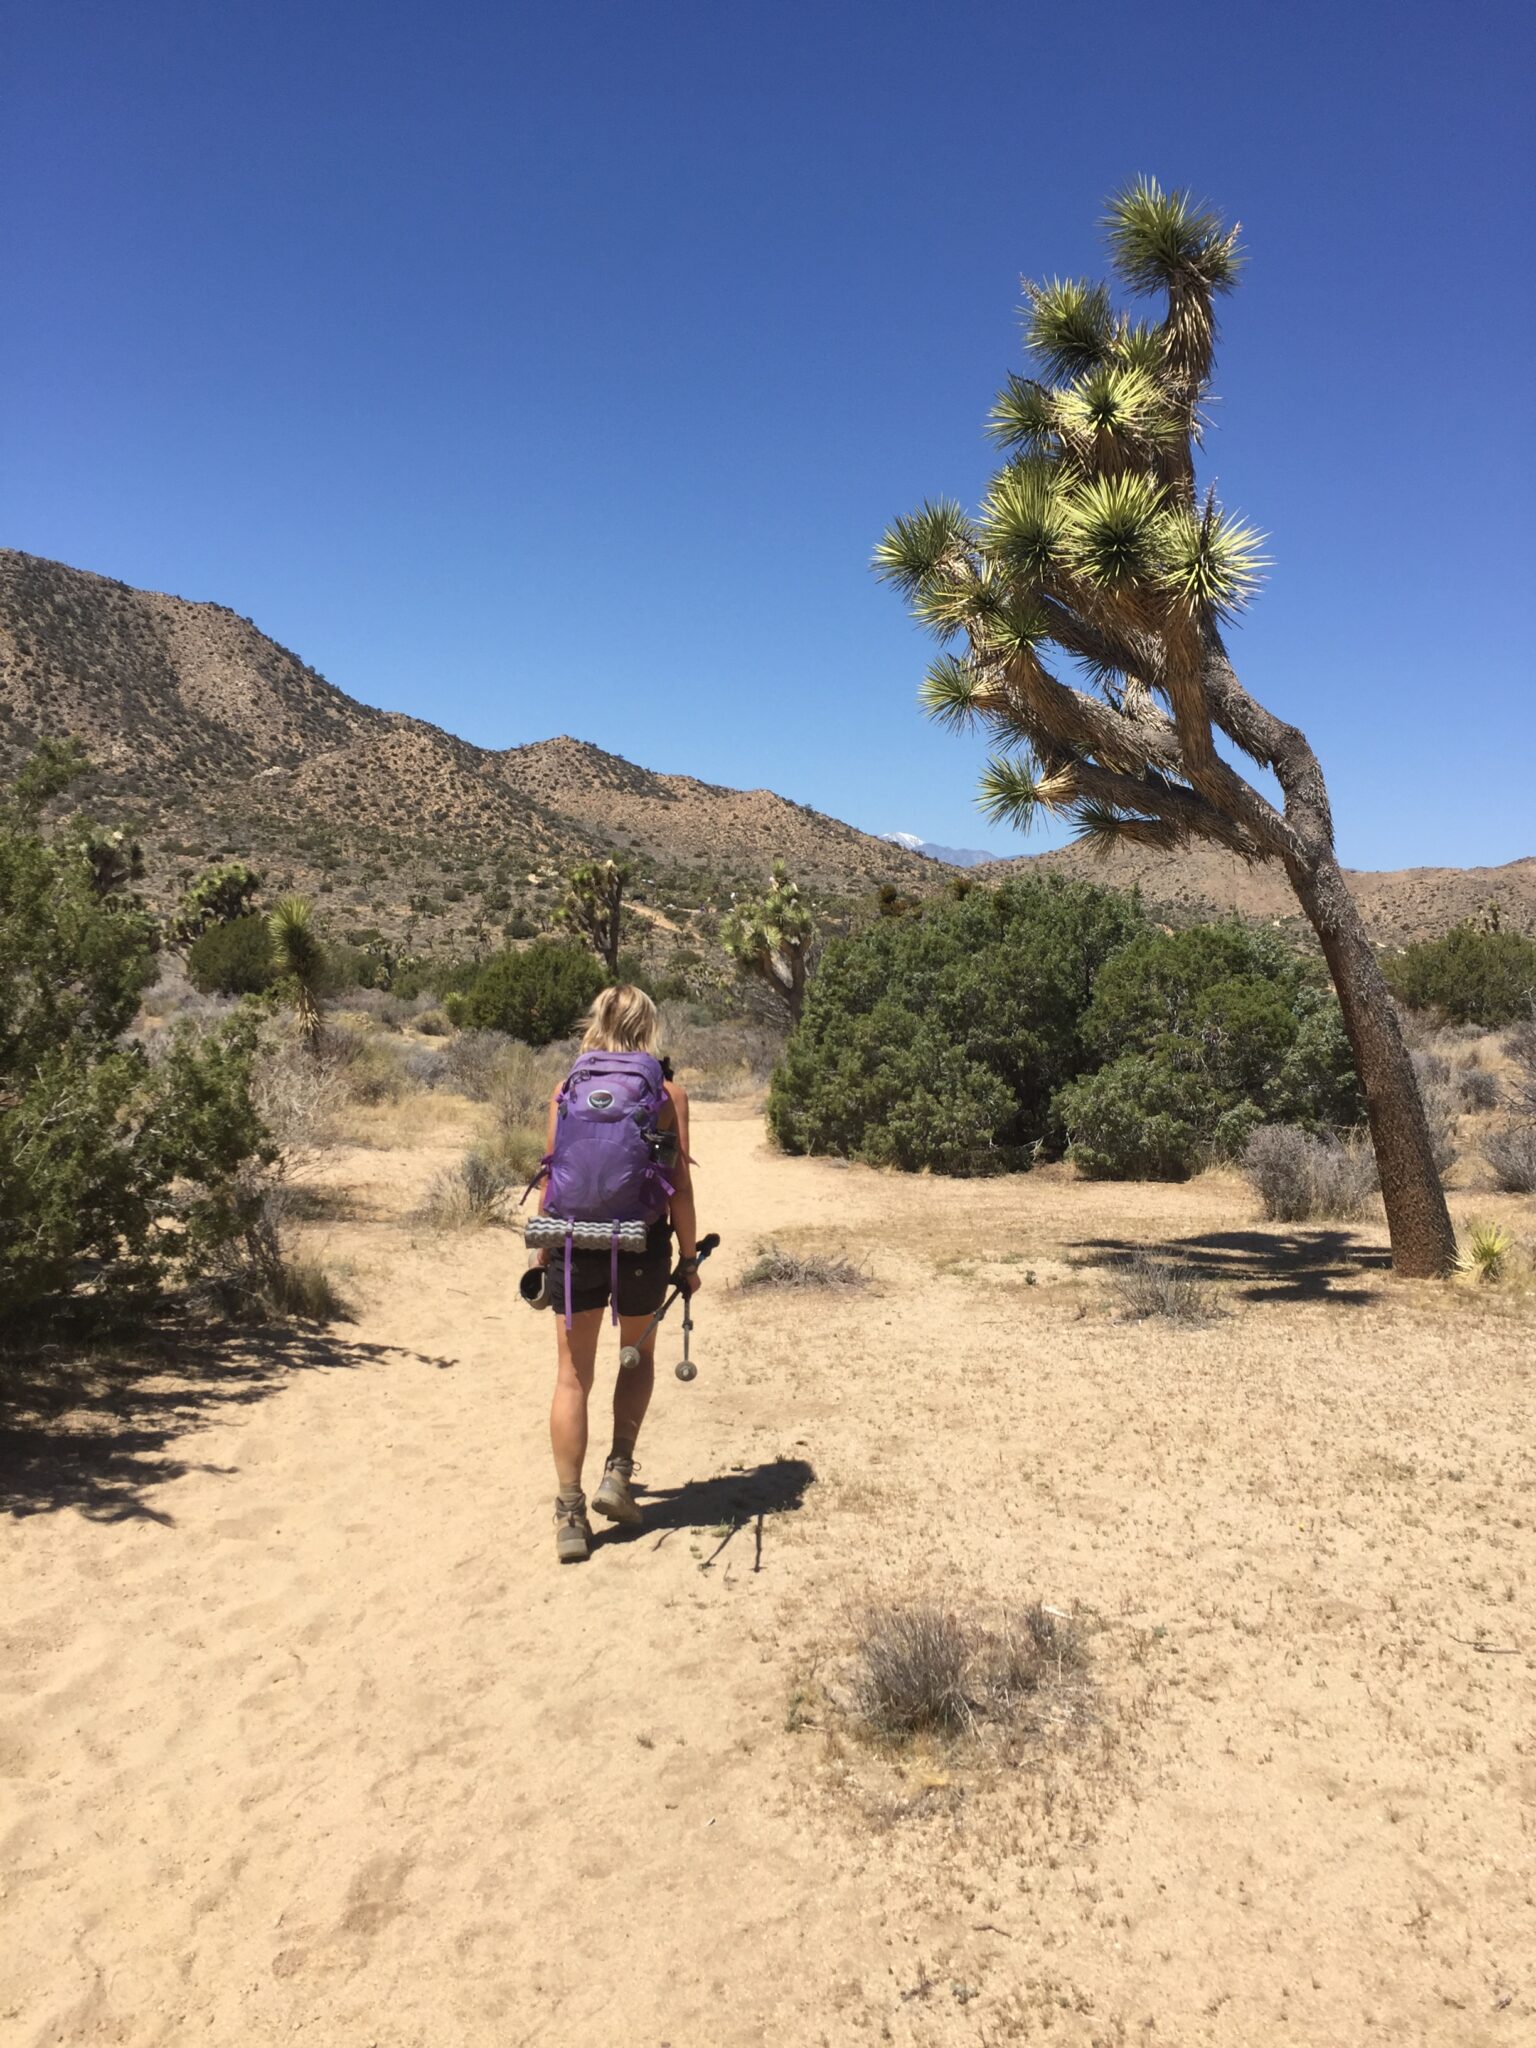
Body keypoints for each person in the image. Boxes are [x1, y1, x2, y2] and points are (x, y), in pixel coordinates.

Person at [532, 986, 700, 1563]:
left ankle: (570, 1513)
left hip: (573, 1246)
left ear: (597, 1022)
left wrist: (539, 1248)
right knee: (638, 1356)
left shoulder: (566, 1090)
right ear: (648, 1025)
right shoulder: (665, 1092)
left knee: (571, 1376)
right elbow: (679, 1185)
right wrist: (689, 1257)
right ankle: (618, 1474)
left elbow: (553, 1174)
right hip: (640, 1244)